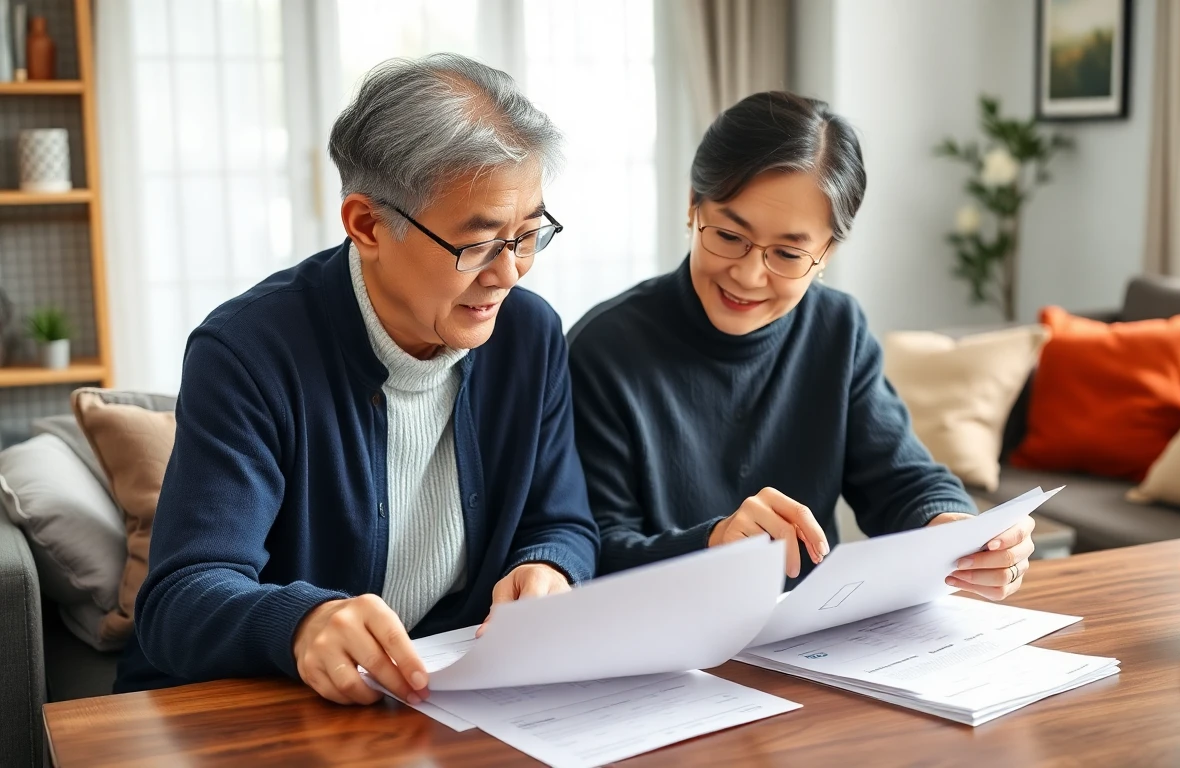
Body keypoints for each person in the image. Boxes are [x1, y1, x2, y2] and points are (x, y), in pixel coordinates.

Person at [116, 54, 600, 706]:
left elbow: (562, 521)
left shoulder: (530, 336)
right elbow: (182, 597)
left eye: (527, 235)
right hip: (258, 710)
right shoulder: (249, 353)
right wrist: (301, 623)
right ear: (367, 225)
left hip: (446, 702)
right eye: (479, 244)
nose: (509, 273)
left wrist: (547, 567)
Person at [567, 91, 1034, 600]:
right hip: (658, 643)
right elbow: (595, 549)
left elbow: (902, 481)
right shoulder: (604, 348)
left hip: (809, 639)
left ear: (827, 251)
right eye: (727, 235)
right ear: (691, 207)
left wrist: (960, 532)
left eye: (788, 253)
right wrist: (714, 542)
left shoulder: (838, 328)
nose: (747, 275)